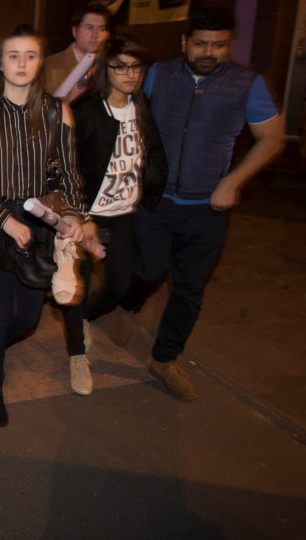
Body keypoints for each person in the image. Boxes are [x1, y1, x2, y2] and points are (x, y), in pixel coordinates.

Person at [110, 8, 284, 400]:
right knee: (146, 271)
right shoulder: (158, 75)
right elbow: (124, 116)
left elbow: (271, 139)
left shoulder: (248, 84)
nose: (209, 52)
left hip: (207, 208)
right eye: (201, 44)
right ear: (184, 42)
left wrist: (232, 182)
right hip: (155, 201)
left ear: (229, 44)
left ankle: (164, 359)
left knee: (189, 290)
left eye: (219, 45)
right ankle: (128, 306)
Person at [0, 25, 85, 427]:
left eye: (30, 55)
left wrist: (74, 216)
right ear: (0, 63)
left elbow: (69, 173)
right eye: (13, 55)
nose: (22, 63)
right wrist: (5, 221)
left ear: (41, 62)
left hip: (39, 221)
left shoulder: (57, 111)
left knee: (29, 317)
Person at [60, 36, 168, 395]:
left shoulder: (142, 106)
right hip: (85, 216)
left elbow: (152, 153)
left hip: (123, 215)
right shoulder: (86, 110)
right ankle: (77, 354)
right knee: (76, 288)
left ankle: (87, 318)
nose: (130, 74)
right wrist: (79, 214)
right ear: (104, 69)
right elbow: (67, 166)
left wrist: (151, 192)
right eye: (120, 67)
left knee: (118, 286)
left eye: (136, 67)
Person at [44, 2, 111, 101]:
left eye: (101, 29)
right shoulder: (49, 66)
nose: (95, 35)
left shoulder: (110, 66)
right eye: (89, 27)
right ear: (75, 31)